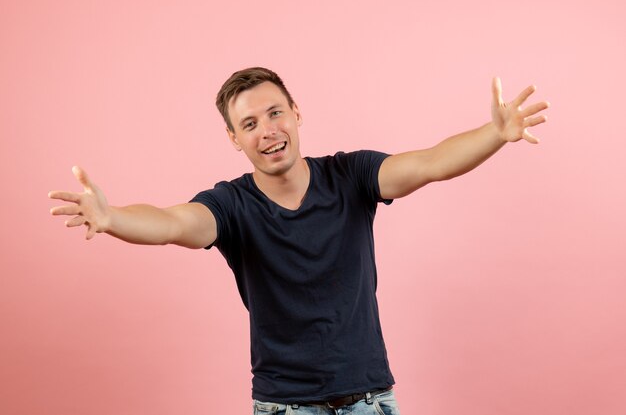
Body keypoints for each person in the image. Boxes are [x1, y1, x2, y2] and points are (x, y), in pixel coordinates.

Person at [49, 67, 549, 414]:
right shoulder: (230, 206)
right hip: (284, 406)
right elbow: (173, 223)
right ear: (234, 138)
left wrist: (494, 133)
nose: (266, 131)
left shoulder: (351, 175)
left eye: (273, 113)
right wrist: (112, 217)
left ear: (295, 112)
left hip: (370, 400)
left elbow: (430, 163)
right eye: (249, 124)